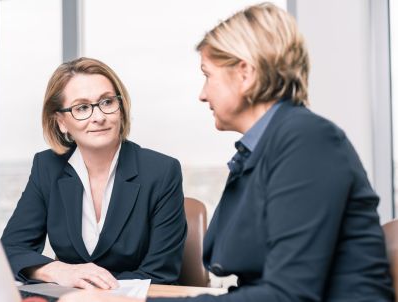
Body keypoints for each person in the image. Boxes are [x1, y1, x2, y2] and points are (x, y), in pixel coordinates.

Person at [59, 2, 394, 301]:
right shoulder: (265, 147)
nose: (202, 95)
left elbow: (288, 294)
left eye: (208, 76)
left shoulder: (308, 141)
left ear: (245, 73)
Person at [0, 57, 187, 290]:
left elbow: (160, 274)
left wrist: (89, 291)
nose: (99, 117)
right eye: (82, 108)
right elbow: (10, 249)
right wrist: (60, 270)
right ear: (61, 122)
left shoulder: (161, 171)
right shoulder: (47, 167)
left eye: (107, 102)